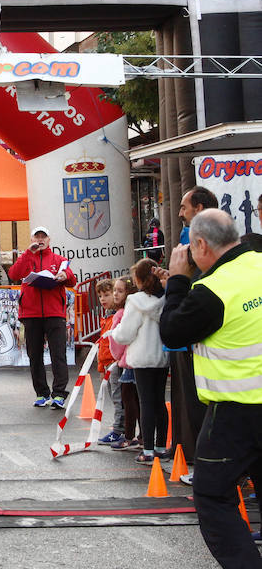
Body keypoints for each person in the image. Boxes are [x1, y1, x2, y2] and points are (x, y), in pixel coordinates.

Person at [158, 209, 262, 567]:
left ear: (200, 245)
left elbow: (171, 334)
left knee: (213, 496)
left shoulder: (211, 291)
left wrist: (176, 281)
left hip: (235, 413)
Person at [168, 186, 218, 470]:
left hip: (206, 347)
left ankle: (208, 467)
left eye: (184, 207)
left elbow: (174, 325)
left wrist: (176, 284)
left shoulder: (205, 239)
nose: (179, 213)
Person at [7, 226, 76, 409]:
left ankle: (59, 394)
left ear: (49, 239)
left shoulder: (59, 259)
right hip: (31, 313)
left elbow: (71, 279)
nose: (40, 239)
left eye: (43, 236)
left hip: (54, 313)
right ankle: (41, 393)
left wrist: (63, 275)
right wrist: (27, 254)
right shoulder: (27, 258)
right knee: (34, 355)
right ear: (31, 240)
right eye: (36, 236)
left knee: (58, 354)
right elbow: (13, 274)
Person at [108, 259, 169, 465]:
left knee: (146, 403)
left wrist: (114, 332)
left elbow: (125, 334)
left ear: (139, 279)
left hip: (141, 358)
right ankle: (160, 446)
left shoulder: (135, 301)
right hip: (161, 357)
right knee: (159, 402)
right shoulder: (165, 299)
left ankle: (148, 450)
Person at [107, 277, 142, 451]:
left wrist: (117, 357)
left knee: (128, 402)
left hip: (127, 362)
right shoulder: (136, 310)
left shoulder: (121, 314)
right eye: (115, 290)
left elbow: (117, 340)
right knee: (139, 401)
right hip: (137, 361)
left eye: (120, 291)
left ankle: (128, 437)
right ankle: (142, 436)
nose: (115, 294)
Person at [95, 279, 126, 446]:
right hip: (108, 364)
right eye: (100, 296)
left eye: (107, 295)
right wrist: (101, 367)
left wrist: (113, 363)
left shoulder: (117, 317)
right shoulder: (106, 318)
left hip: (115, 363)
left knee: (118, 398)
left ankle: (118, 430)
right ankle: (120, 429)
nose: (103, 299)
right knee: (115, 397)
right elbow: (102, 346)